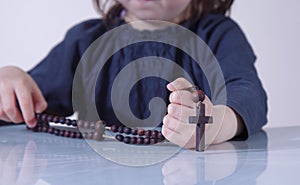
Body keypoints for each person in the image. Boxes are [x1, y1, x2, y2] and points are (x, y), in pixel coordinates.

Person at [0, 0, 267, 149]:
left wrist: (217, 123)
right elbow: (28, 105)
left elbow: (249, 94)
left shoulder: (218, 34)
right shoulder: (84, 41)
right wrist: (9, 84)